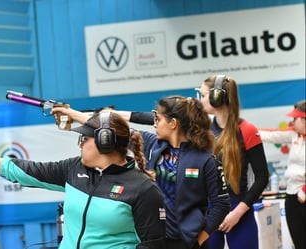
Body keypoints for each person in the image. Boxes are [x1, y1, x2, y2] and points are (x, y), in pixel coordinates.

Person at [0, 111, 166, 249]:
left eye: (84, 139)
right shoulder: (75, 168)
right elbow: (32, 171)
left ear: (104, 142)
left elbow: (153, 245)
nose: (80, 144)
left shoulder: (143, 189)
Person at [52, 96, 230, 249]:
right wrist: (71, 114)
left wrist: (197, 240)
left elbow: (221, 205)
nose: (154, 123)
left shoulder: (205, 160)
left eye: (158, 119)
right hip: (154, 241)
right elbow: (104, 128)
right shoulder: (151, 144)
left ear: (173, 123)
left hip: (188, 243)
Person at [195, 75, 269, 249]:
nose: (201, 100)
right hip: (209, 211)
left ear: (216, 97)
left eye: (204, 95)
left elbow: (262, 178)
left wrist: (237, 213)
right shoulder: (203, 130)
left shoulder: (247, 130)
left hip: (239, 210)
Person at [258, 99, 306, 249]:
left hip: (303, 194)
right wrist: (241, 128)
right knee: (299, 242)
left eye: (295, 118)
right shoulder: (294, 134)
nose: (291, 122)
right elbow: (271, 135)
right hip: (291, 195)